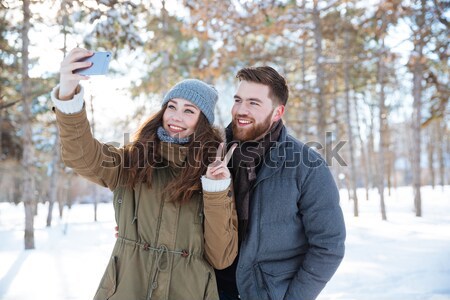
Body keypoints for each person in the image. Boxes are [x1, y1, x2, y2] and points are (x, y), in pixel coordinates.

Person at [51, 48, 238, 300]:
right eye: (172, 106)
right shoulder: (132, 161)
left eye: (189, 111)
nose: (176, 117)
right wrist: (68, 94)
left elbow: (221, 257)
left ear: (202, 122)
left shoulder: (214, 174)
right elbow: (81, 154)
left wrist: (215, 190)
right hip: (127, 286)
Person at [215, 66, 346, 300]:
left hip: (267, 293)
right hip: (210, 290)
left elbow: (328, 245)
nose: (241, 110)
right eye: (238, 100)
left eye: (254, 103)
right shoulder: (212, 153)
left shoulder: (307, 165)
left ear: (277, 112)